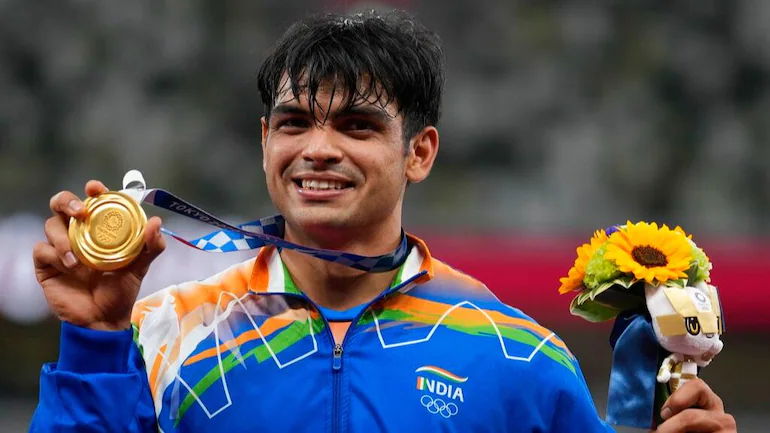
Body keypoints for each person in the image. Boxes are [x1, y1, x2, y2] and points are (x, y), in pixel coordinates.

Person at [30, 10, 736, 433]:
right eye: (294, 123)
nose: (318, 148)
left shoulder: (517, 357)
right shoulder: (164, 334)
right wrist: (94, 337)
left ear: (419, 152)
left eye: (357, 126)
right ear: (265, 142)